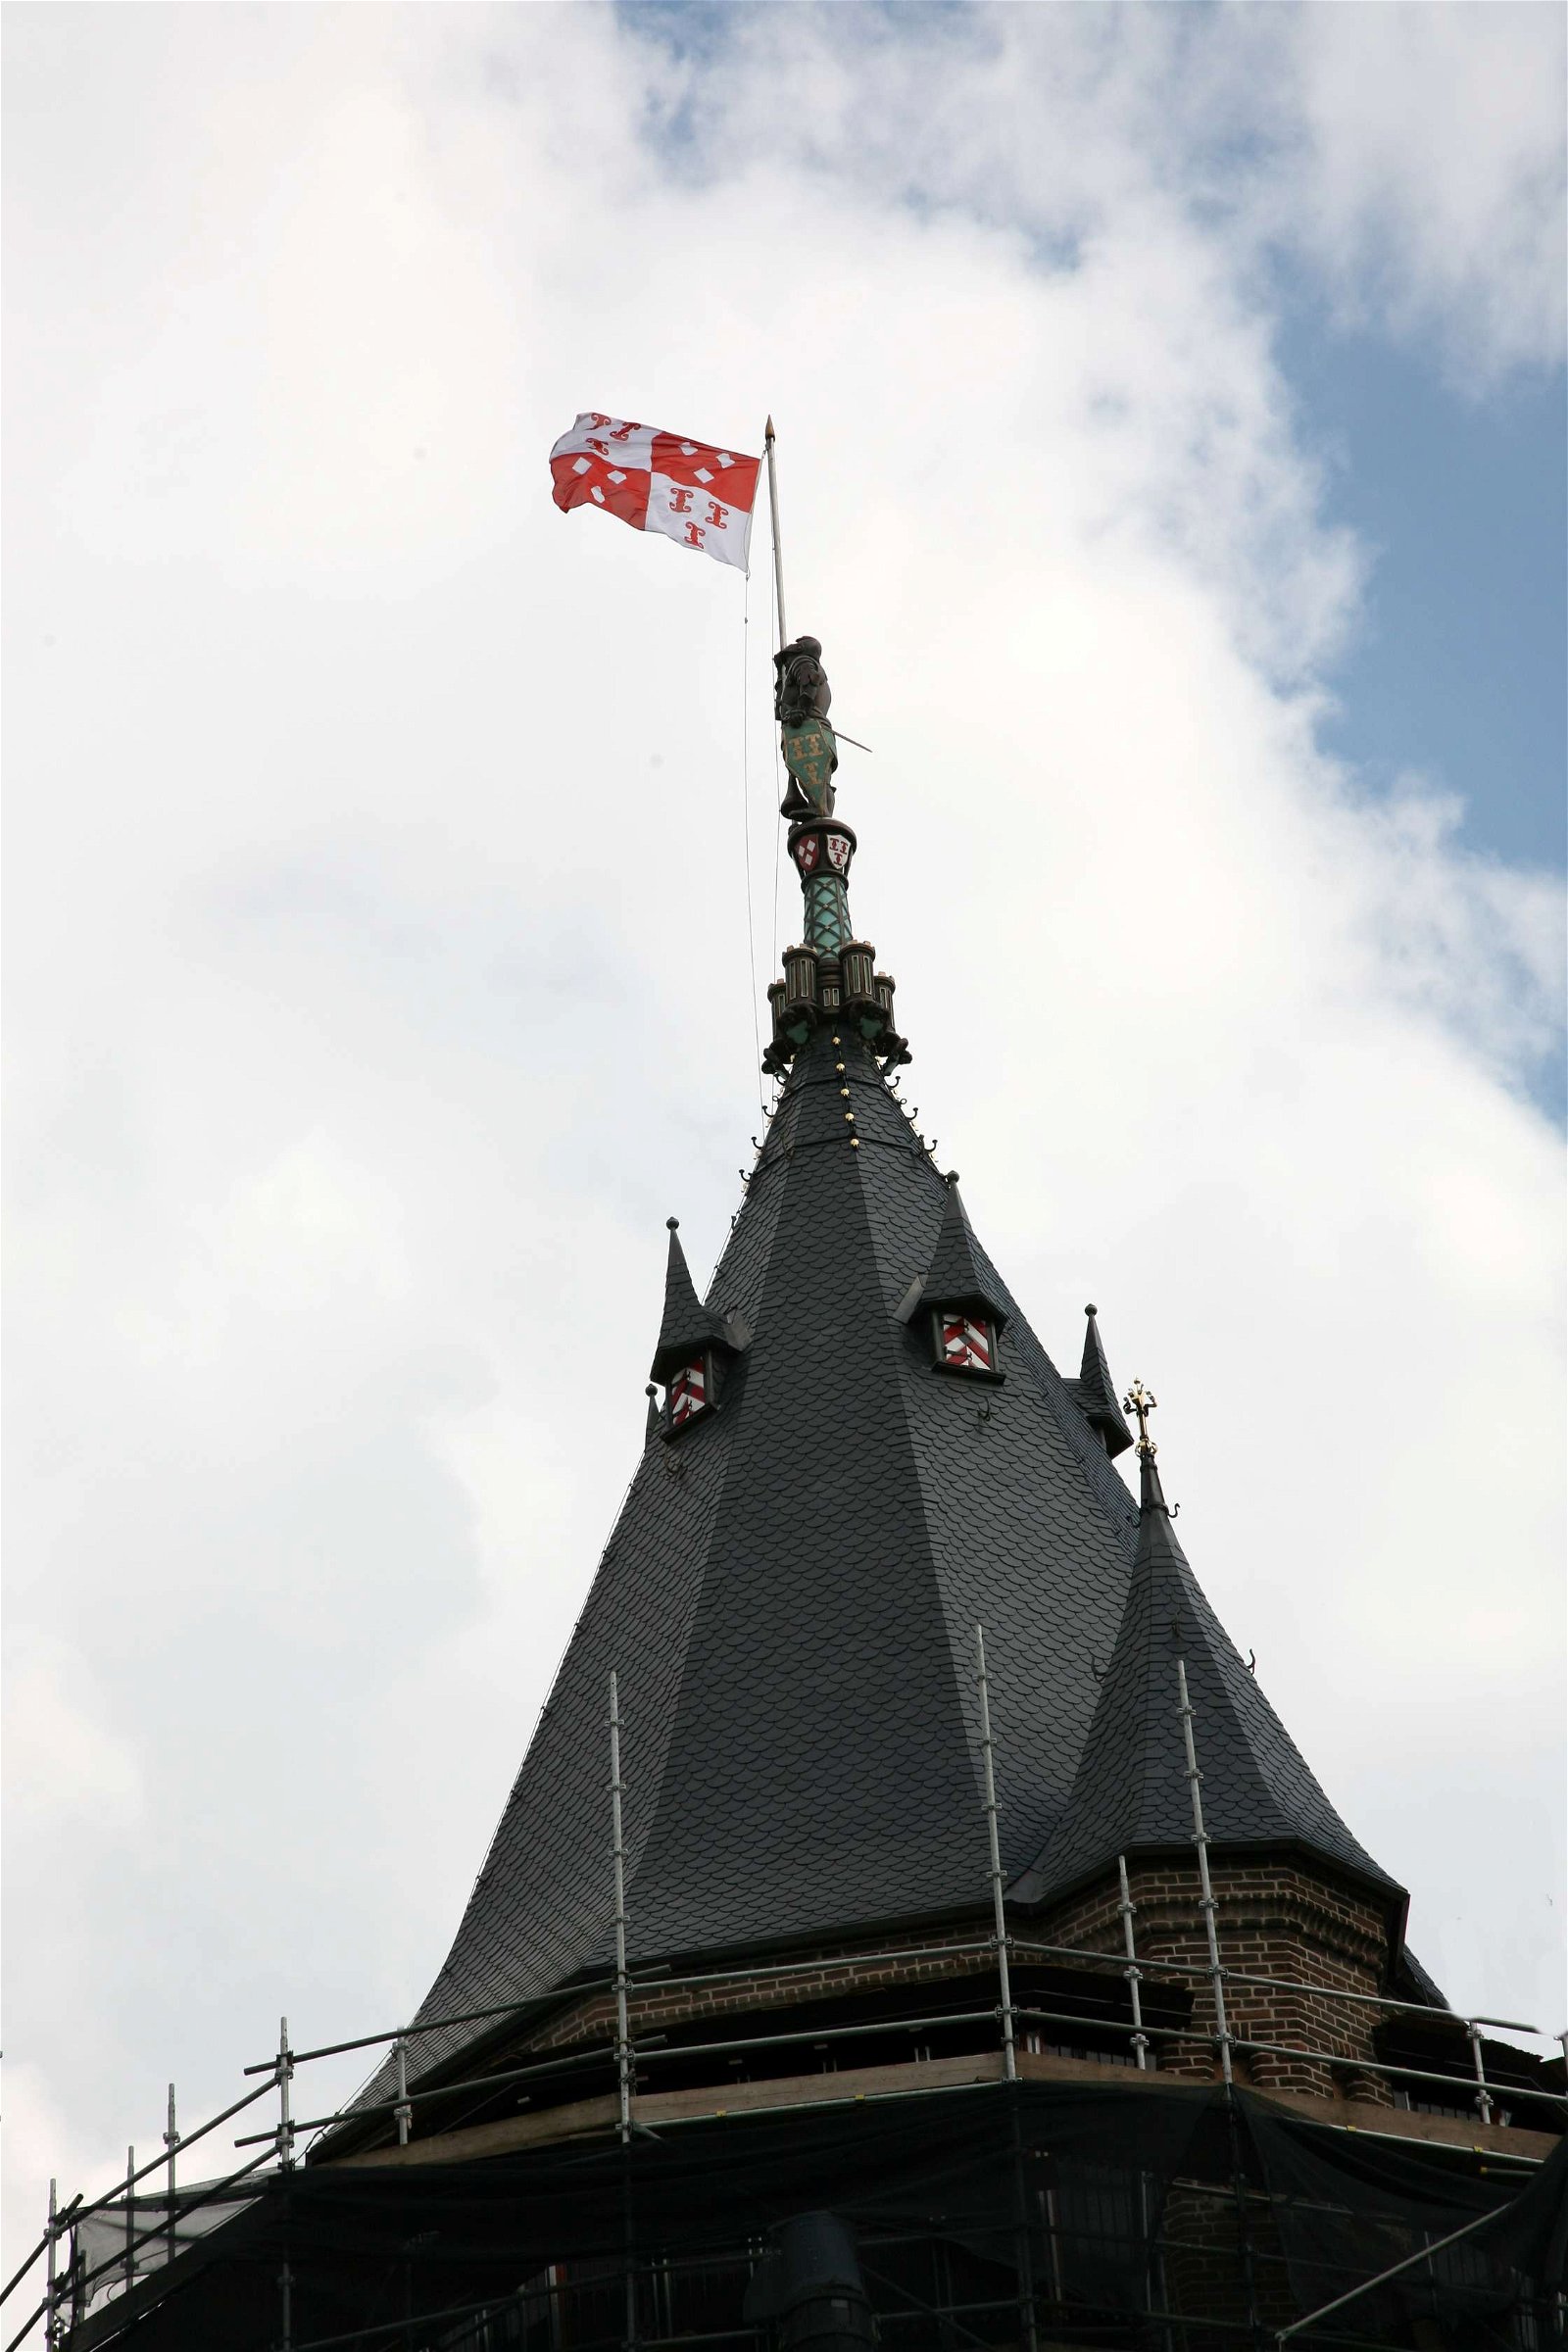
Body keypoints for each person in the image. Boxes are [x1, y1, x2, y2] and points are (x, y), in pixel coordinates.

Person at [773, 636, 838, 819]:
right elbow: (782, 708)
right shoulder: (801, 665)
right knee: (820, 779)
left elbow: (810, 681)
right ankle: (822, 810)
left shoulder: (803, 661)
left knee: (812, 772)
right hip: (819, 729)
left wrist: (800, 710)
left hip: (808, 729)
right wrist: (781, 673)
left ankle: (820, 810)